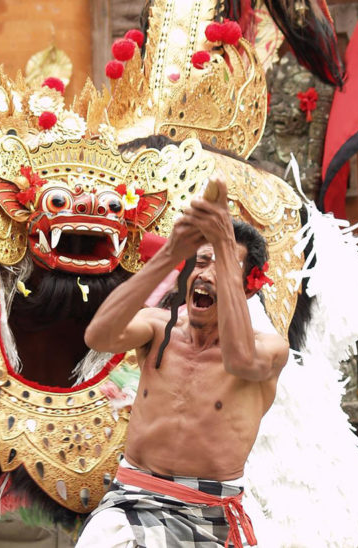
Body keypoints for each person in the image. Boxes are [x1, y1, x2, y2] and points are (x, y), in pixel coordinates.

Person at [77, 178, 289, 547]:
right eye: (200, 262)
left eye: (221, 267)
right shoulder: (159, 327)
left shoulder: (269, 349)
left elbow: (239, 361)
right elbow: (98, 337)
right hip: (132, 497)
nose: (206, 274)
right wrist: (171, 251)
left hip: (208, 509)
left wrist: (224, 243)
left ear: (248, 288)